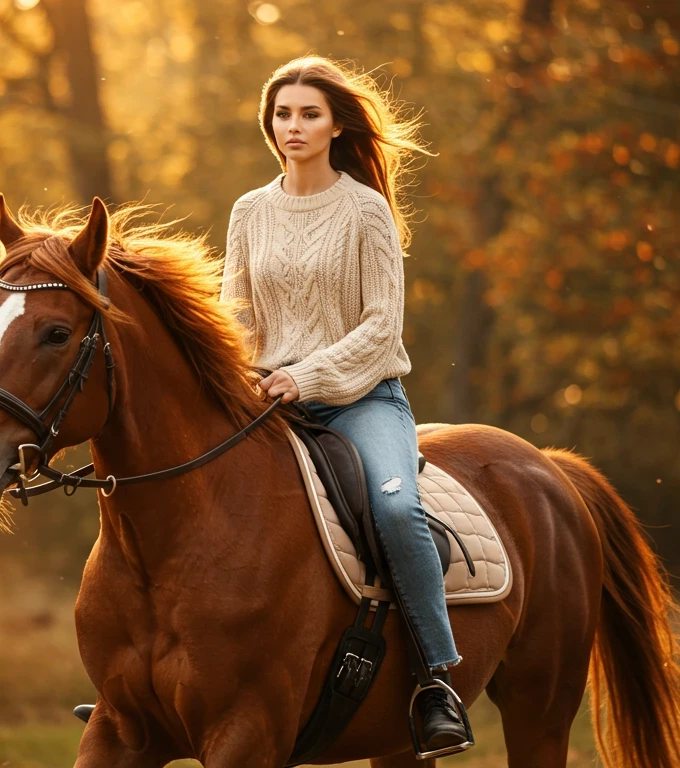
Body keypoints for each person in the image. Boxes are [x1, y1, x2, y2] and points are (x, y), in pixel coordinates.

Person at [220, 55, 470, 754]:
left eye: (308, 114)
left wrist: (308, 376)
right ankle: (150, 673)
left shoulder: (366, 209)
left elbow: (381, 328)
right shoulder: (249, 210)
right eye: (282, 114)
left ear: (335, 127)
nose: (293, 126)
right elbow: (233, 313)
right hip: (266, 399)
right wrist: (241, 371)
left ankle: (435, 681)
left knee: (394, 508)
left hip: (362, 399)